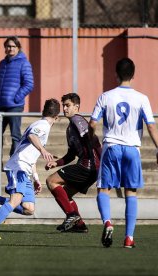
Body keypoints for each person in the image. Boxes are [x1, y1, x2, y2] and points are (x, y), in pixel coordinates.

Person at [89, 58, 158, 248]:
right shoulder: (142, 98)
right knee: (131, 191)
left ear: (116, 74)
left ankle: (107, 222)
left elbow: (92, 124)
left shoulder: (105, 96)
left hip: (111, 147)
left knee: (103, 189)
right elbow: (151, 125)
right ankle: (129, 237)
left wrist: (92, 142)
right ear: (134, 75)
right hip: (132, 149)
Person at [0, 98, 61, 239]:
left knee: (29, 209)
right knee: (15, 200)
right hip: (18, 167)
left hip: (26, 169)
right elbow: (32, 136)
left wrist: (36, 178)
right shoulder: (43, 125)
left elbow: (32, 154)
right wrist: (43, 150)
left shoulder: (42, 125)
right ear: (57, 117)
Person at [45, 93, 102, 233]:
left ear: (76, 107)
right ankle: (80, 225)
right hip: (90, 168)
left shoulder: (78, 120)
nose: (64, 108)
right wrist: (56, 163)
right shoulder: (70, 128)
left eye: (68, 105)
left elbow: (94, 141)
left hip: (88, 166)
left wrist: (103, 165)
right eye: (63, 105)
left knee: (51, 181)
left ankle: (72, 215)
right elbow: (71, 154)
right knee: (66, 193)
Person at [0, 36, 34, 171]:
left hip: (15, 106)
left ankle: (13, 163)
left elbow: (29, 84)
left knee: (15, 135)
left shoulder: (24, 63)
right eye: (8, 46)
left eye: (13, 46)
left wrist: (17, 98)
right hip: (1, 106)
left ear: (18, 48)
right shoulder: (2, 63)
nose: (10, 48)